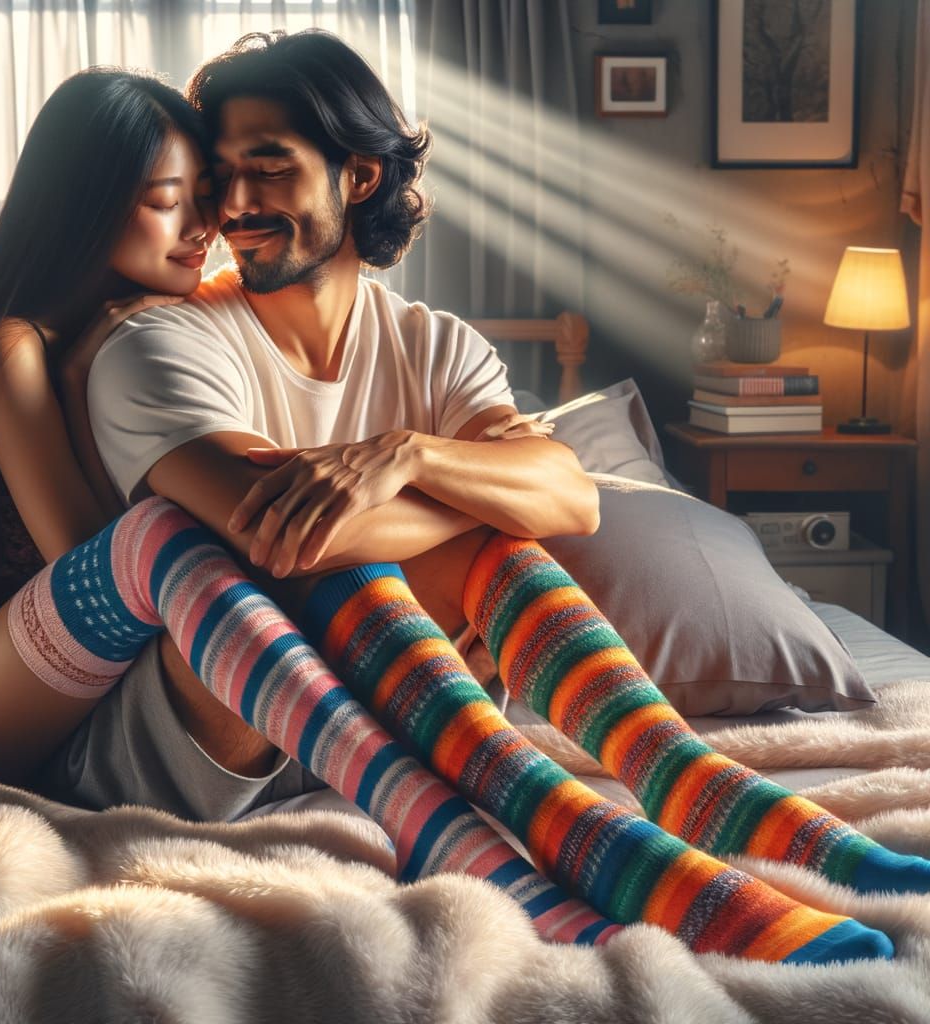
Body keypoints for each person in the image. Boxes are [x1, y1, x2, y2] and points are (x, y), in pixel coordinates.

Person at [57, 29, 926, 960]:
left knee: (500, 545)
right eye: (217, 176)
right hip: (209, 742)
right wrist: (483, 491)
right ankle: (625, 832)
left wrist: (414, 456)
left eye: (266, 168)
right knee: (423, 554)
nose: (232, 204)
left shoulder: (440, 346)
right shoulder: (161, 342)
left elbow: (574, 501)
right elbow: (276, 538)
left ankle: (686, 789)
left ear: (356, 176)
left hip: (393, 725)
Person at [0, 67, 225, 781]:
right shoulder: (11, 346)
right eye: (167, 201)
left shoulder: (151, 329)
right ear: (87, 206)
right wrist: (80, 374)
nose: (201, 228)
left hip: (49, 693)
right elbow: (95, 560)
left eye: (206, 199)